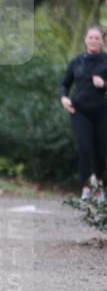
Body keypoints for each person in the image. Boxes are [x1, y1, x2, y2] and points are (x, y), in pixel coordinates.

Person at [59, 25, 107, 202]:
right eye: (91, 37)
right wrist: (64, 98)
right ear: (85, 40)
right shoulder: (76, 62)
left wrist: (104, 84)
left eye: (97, 38)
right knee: (85, 149)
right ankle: (86, 187)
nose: (93, 41)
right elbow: (64, 84)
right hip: (80, 112)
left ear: (102, 41)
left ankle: (99, 186)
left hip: (102, 113)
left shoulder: (106, 61)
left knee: (101, 151)